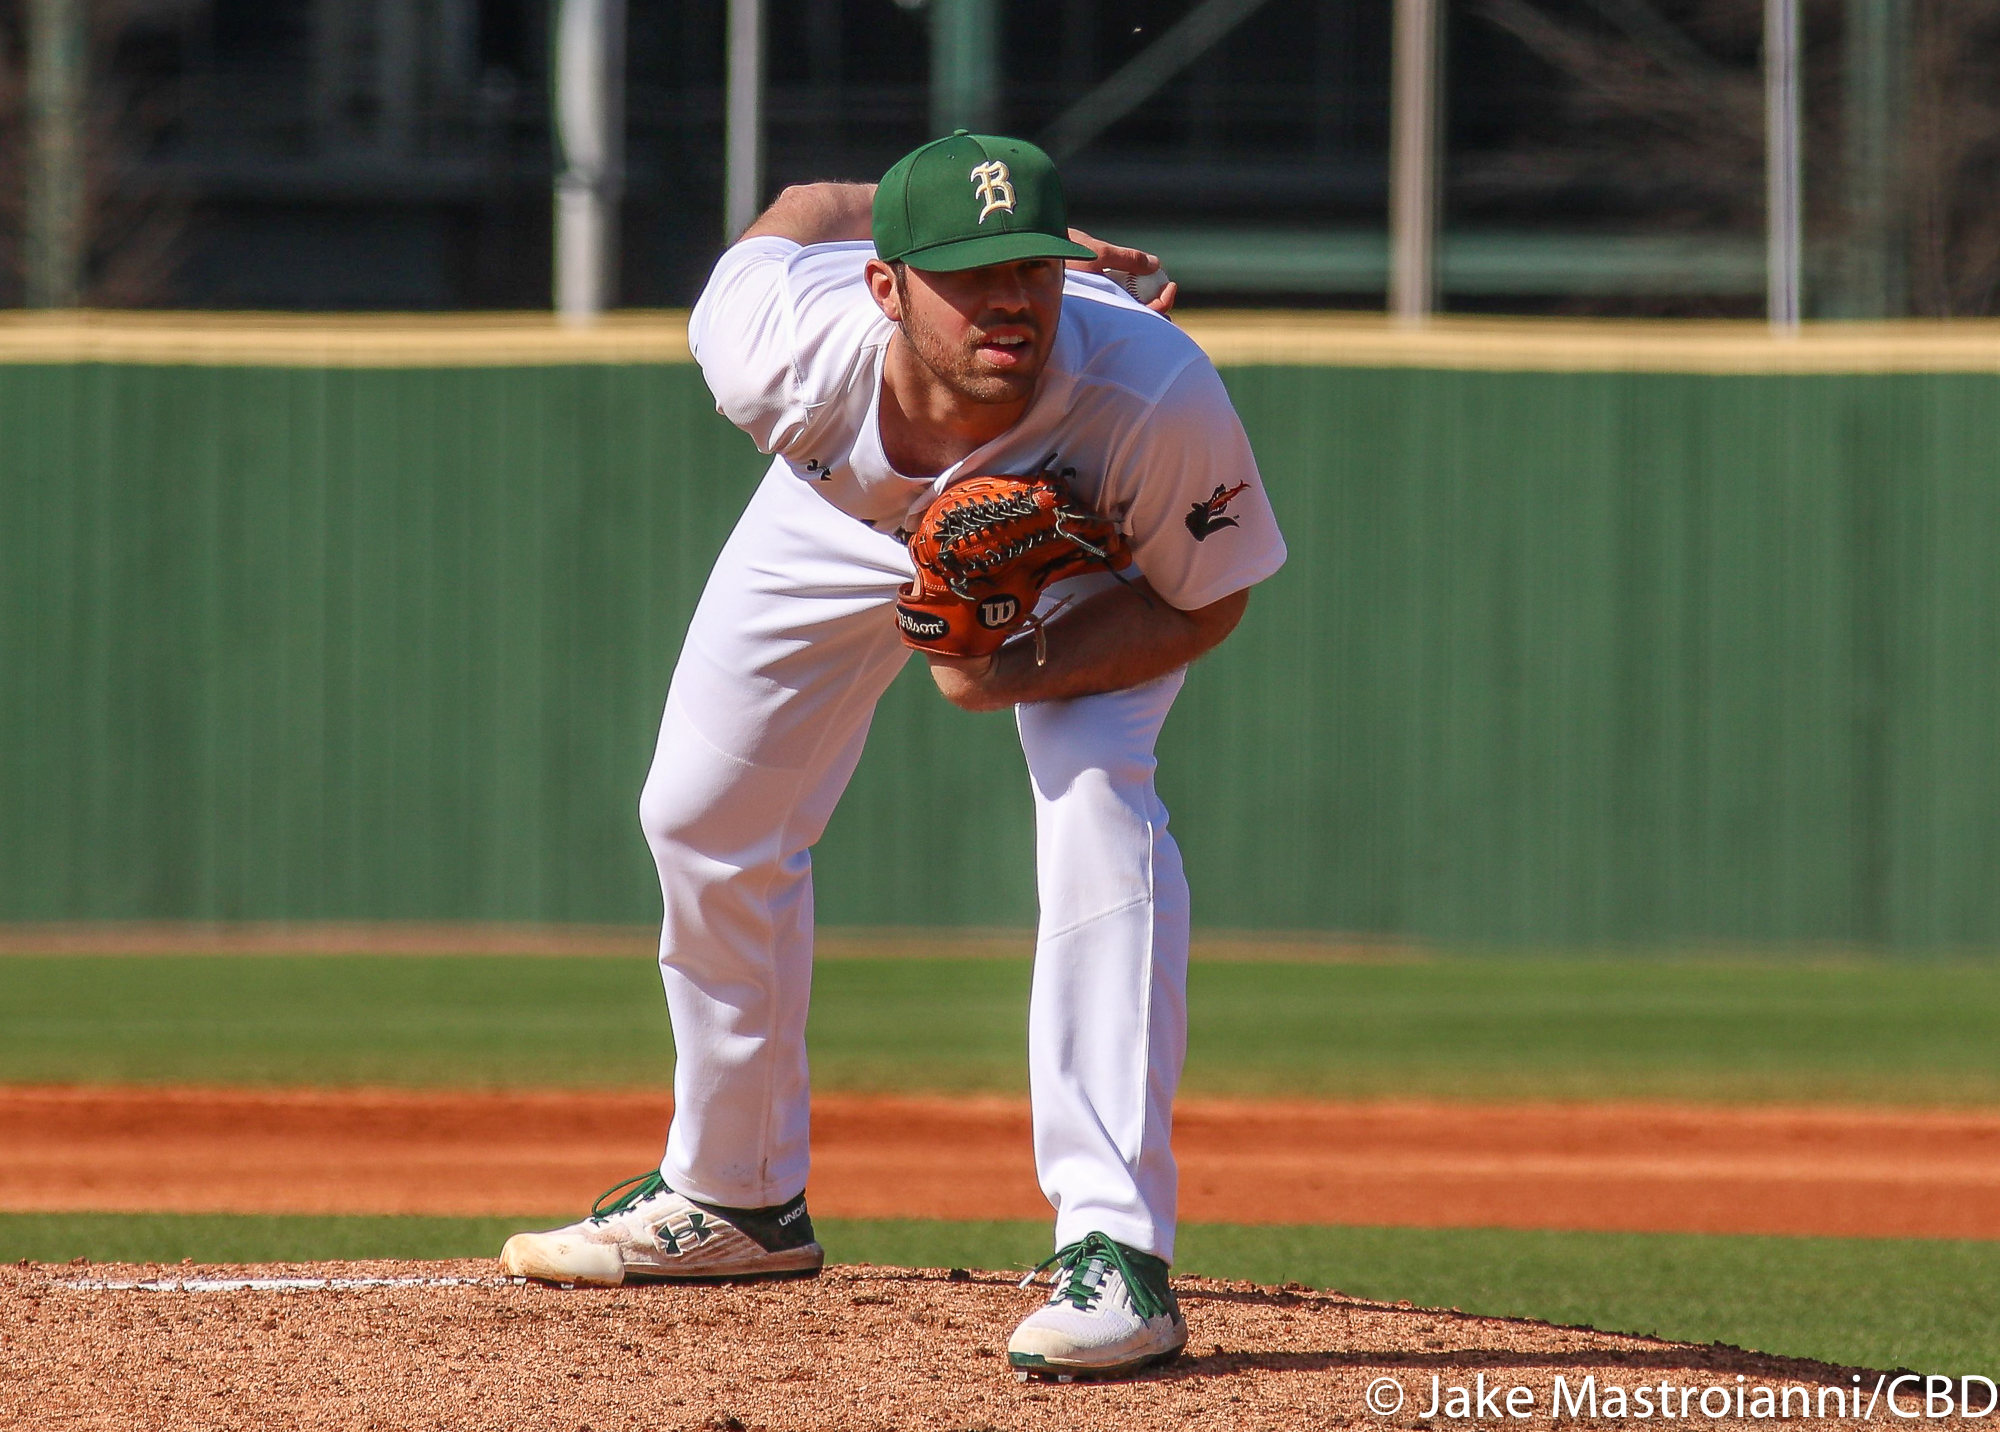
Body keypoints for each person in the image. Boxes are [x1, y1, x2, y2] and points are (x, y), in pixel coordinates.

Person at [500, 131, 1286, 1381]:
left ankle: (1114, 1250)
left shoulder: (1150, 392)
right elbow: (802, 202)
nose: (1008, 299)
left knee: (1094, 797)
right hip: (838, 507)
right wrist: (901, 204)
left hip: (1079, 546)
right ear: (885, 283)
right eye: (967, 271)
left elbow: (1206, 600)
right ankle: (737, 1193)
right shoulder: (774, 343)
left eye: (1030, 265)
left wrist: (1002, 672)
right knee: (699, 811)